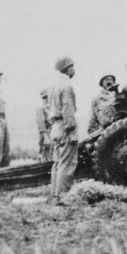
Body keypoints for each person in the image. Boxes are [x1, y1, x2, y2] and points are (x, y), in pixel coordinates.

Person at [47, 56, 78, 203]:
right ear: (66, 68)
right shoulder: (66, 85)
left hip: (55, 126)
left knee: (57, 163)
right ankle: (62, 196)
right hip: (65, 127)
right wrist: (71, 130)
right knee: (68, 162)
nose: (74, 69)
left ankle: (54, 194)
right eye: (72, 66)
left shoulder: (53, 85)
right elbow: (68, 109)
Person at [36, 89, 52, 161]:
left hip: (51, 134)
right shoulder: (40, 108)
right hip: (46, 135)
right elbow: (41, 124)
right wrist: (45, 137)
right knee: (44, 156)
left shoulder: (50, 108)